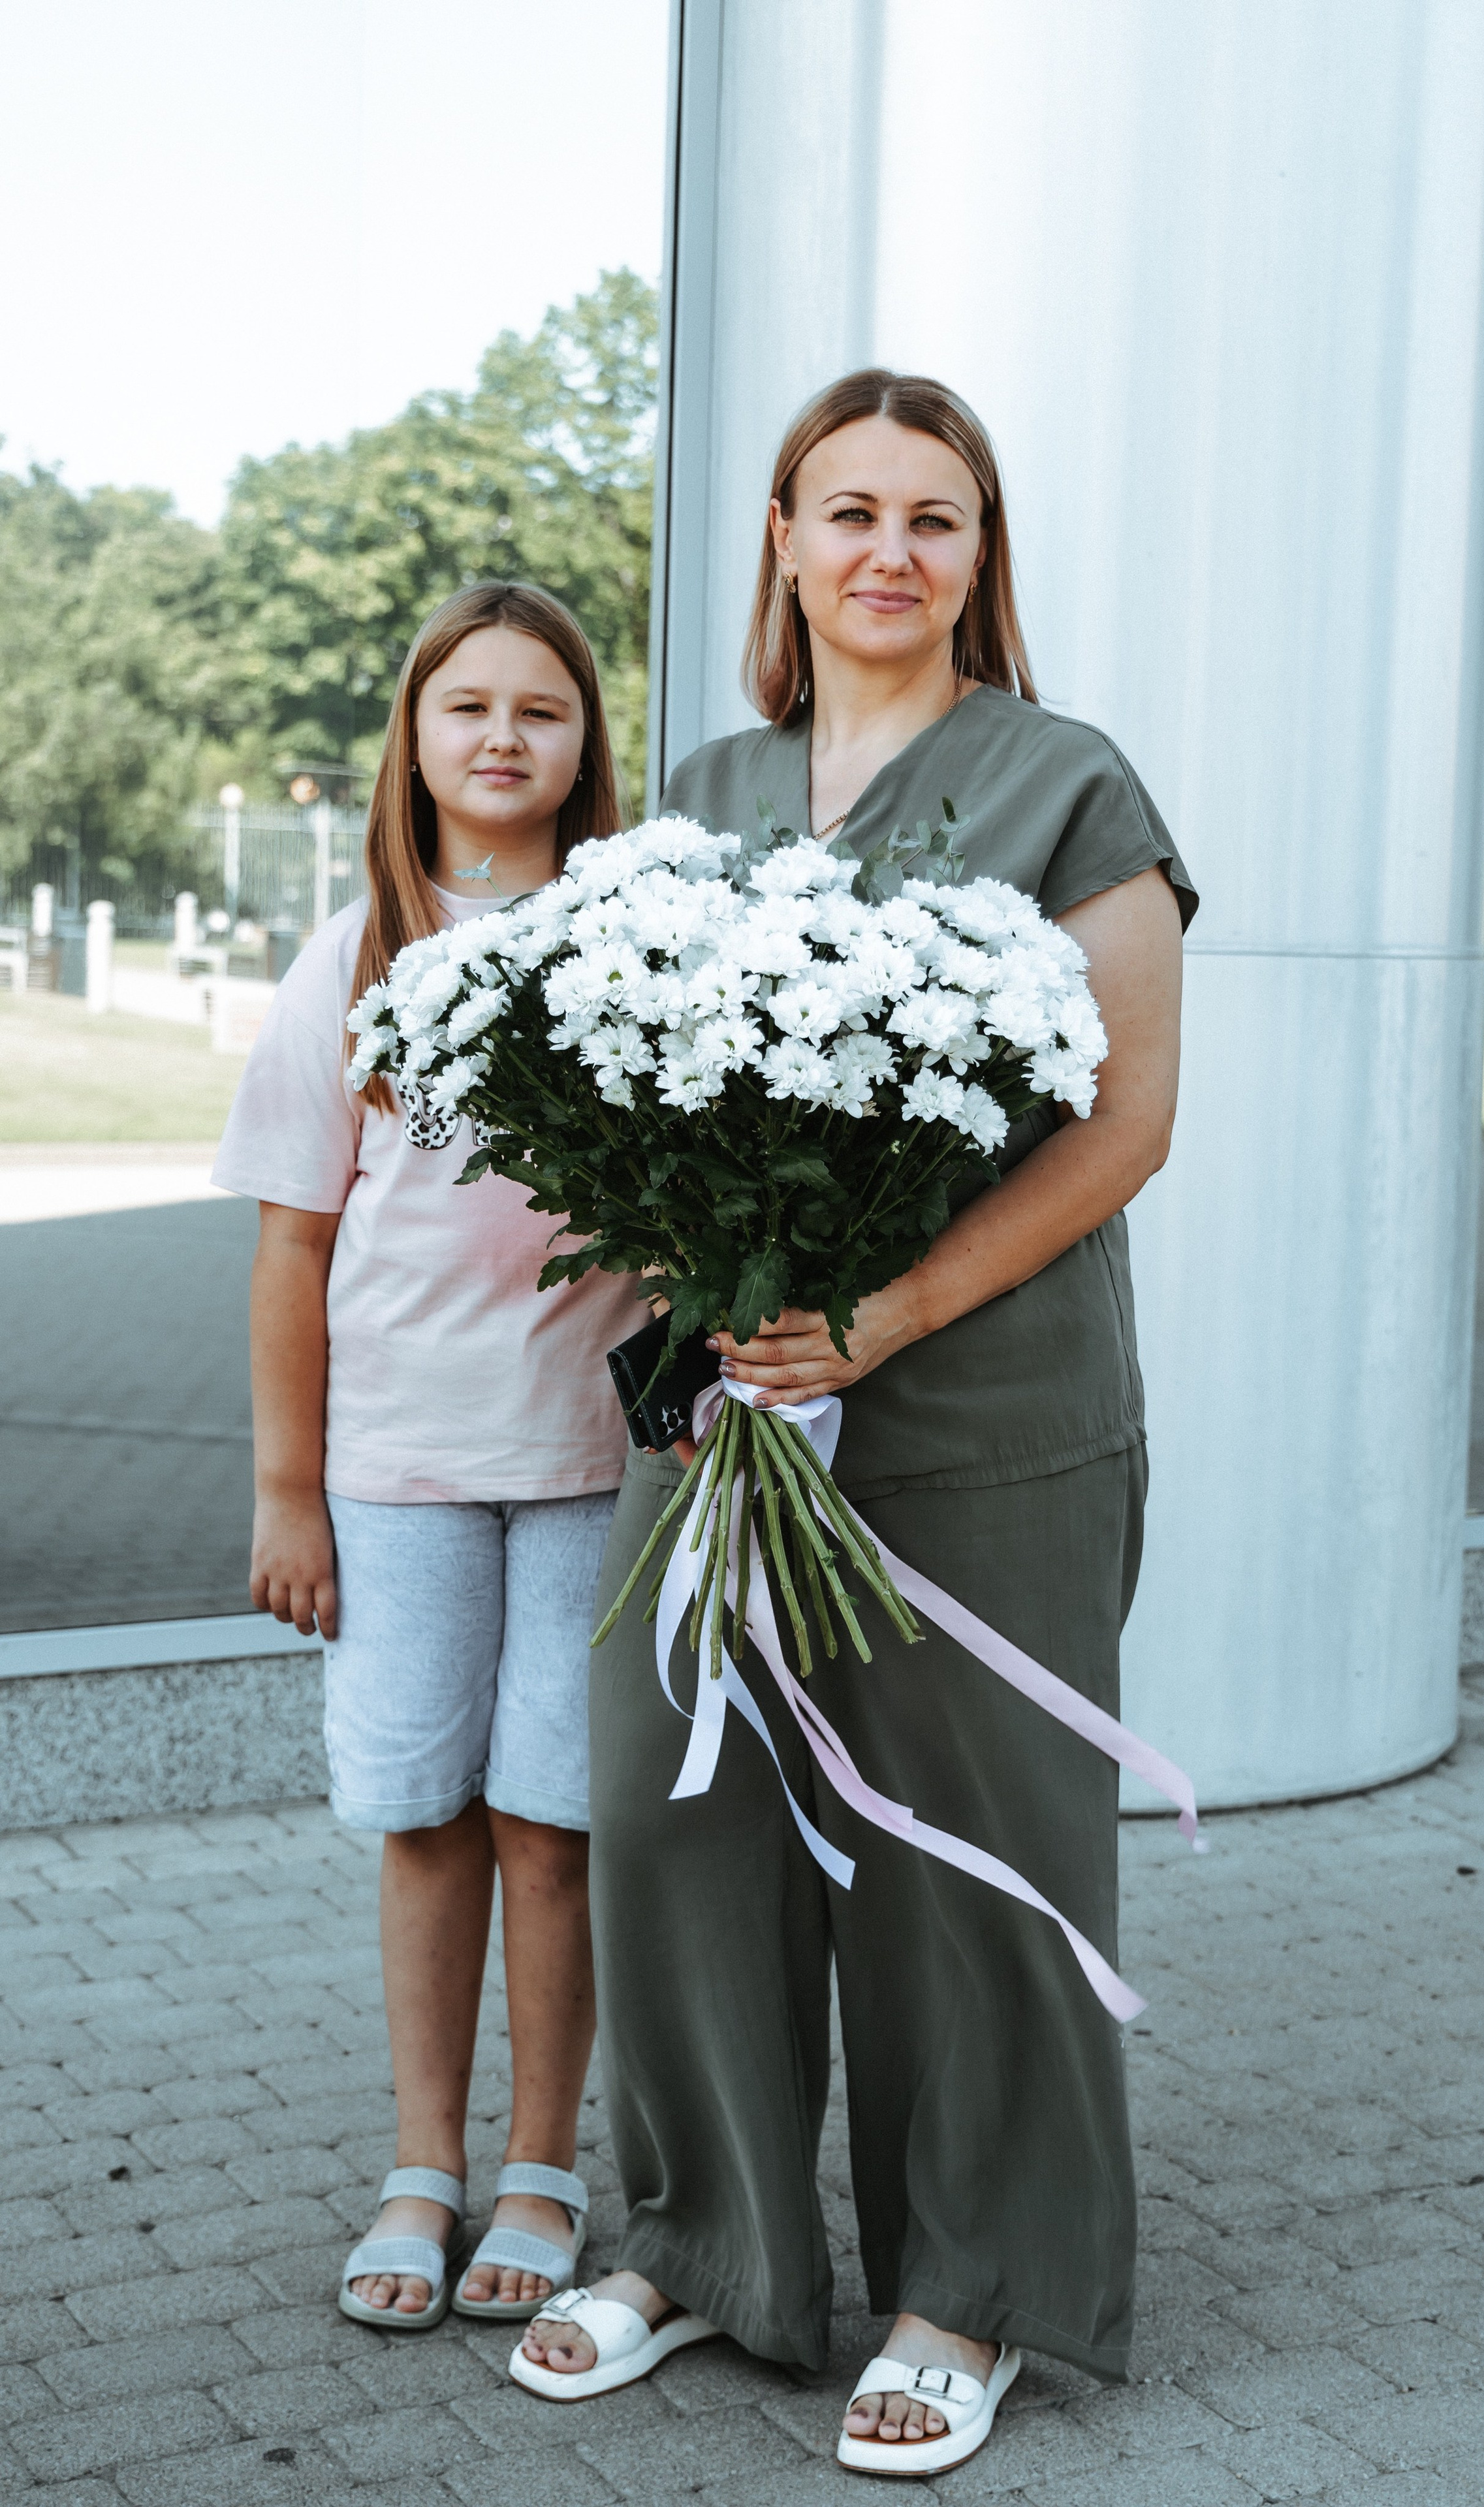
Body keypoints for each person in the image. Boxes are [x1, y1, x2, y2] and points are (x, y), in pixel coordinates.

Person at [514, 373, 1197, 2473]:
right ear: (788, 546)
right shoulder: (702, 791)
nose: (893, 551)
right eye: (852, 513)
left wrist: (880, 1316)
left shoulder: (1068, 784)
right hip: (724, 1422)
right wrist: (699, 1271)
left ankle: (966, 2286)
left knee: (973, 1853)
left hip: (981, 1407)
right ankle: (707, 2238)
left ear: (983, 562)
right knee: (674, 1812)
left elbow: (1126, 1127)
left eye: (941, 518)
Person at [214, 582, 643, 2331]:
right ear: (413, 735)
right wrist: (285, 1486)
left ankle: (544, 2166)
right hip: (394, 1473)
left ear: (580, 745)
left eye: (539, 708)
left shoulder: (635, 950)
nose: (500, 735)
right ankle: (424, 2164)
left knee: (554, 1822)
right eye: (465, 705)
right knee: (424, 1817)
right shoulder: (355, 961)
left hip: (591, 1462)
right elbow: (294, 1246)